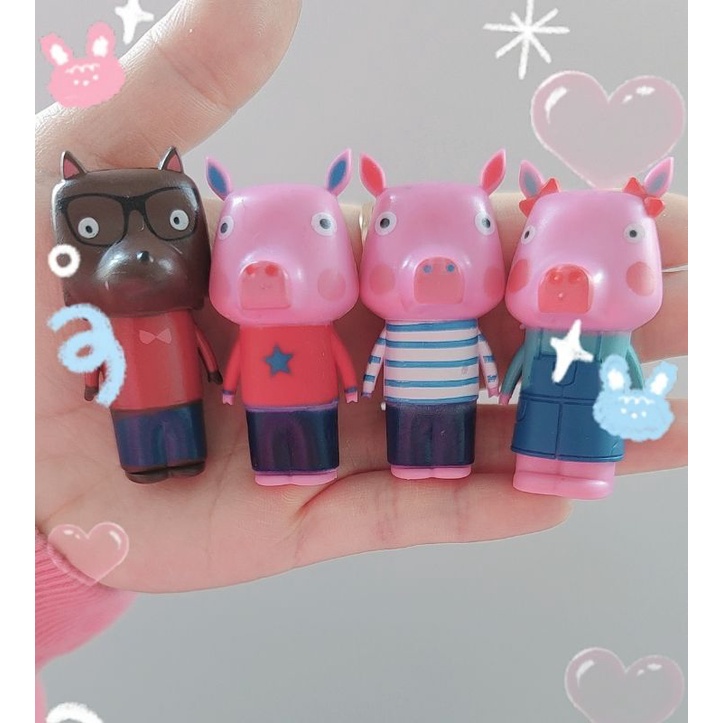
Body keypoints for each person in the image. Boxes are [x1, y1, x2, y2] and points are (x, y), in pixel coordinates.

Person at [35, 0, 688, 719]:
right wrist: (318, 379)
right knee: (337, 442)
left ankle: (558, 468)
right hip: (284, 394)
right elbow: (239, 356)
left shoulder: (574, 334)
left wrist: (451, 378)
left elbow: (480, 360)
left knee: (494, 439)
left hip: (411, 392)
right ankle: (301, 462)